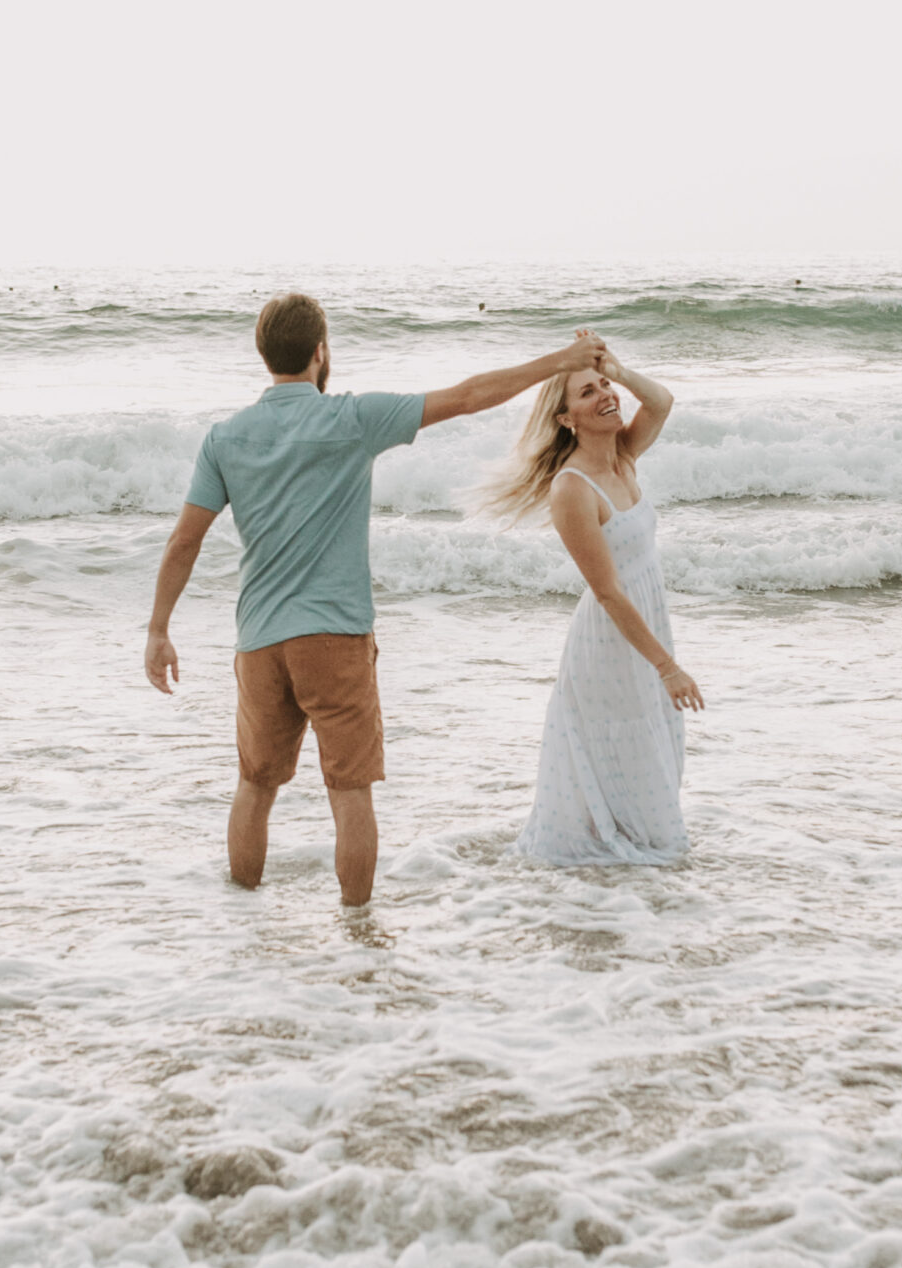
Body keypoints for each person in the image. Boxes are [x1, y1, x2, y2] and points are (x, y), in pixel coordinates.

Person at [145, 292, 608, 906]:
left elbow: (183, 542)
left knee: (254, 786)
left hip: (259, 641)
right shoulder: (352, 419)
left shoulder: (225, 438)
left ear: (264, 356)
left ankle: (244, 926)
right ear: (320, 351)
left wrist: (158, 630)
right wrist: (560, 360)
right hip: (334, 637)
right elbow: (469, 396)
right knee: (349, 793)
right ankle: (358, 934)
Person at [491, 349, 701, 865]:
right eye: (588, 392)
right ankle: (620, 864)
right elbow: (606, 592)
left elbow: (663, 400)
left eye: (603, 387)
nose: (605, 396)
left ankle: (636, 863)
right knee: (624, 745)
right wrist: (668, 668)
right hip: (609, 640)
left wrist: (615, 370)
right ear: (565, 419)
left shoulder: (624, 456)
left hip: (644, 624)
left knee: (651, 739)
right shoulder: (572, 488)